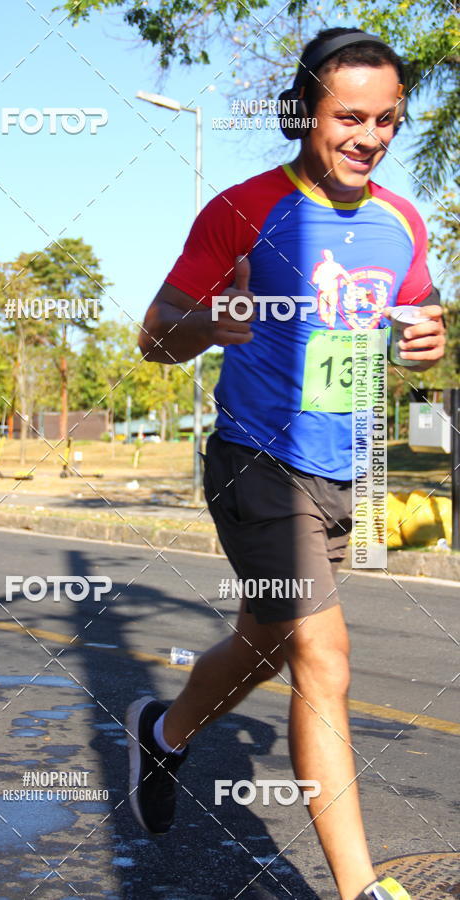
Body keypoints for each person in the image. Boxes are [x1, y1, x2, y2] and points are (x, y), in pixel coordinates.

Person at [128, 26, 446, 900]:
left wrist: (421, 341)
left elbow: (413, 317)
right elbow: (155, 336)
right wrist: (208, 325)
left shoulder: (401, 221)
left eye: (386, 120)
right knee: (326, 659)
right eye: (349, 117)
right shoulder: (244, 210)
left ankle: (163, 733)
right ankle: (360, 890)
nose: (369, 137)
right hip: (257, 466)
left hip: (342, 471)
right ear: (303, 112)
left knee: (265, 645)